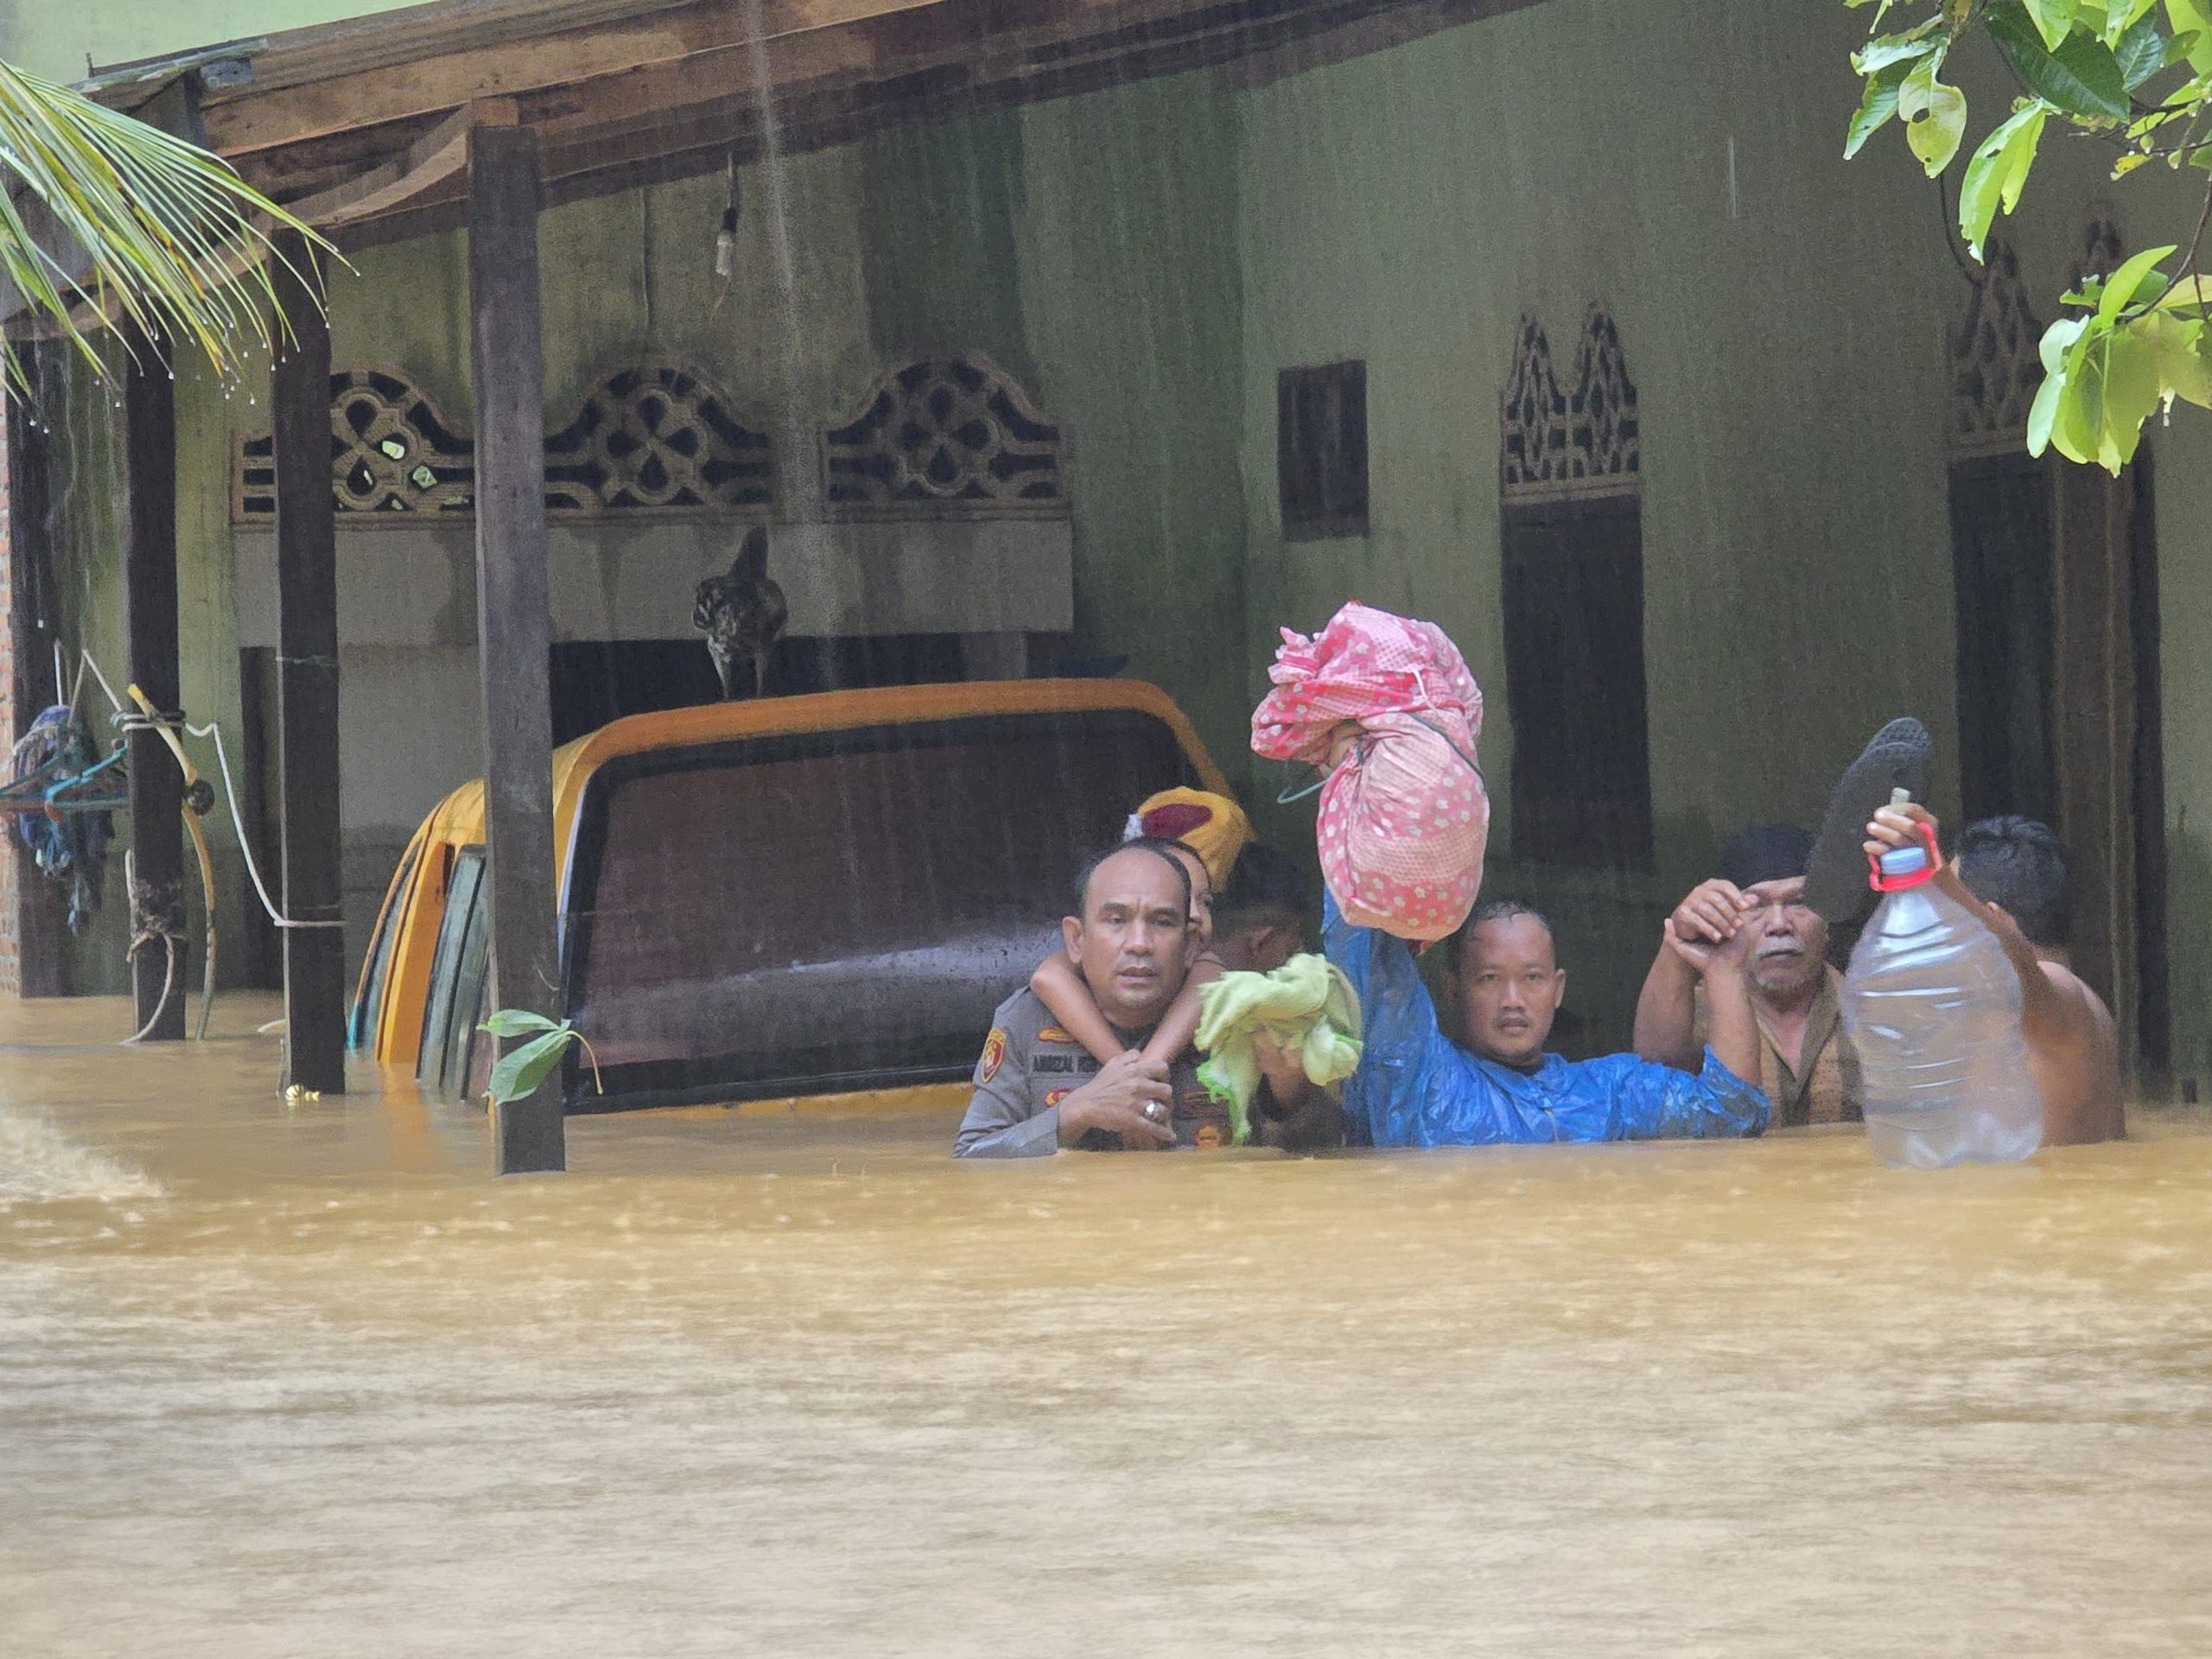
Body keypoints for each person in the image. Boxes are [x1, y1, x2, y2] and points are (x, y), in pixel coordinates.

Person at [956, 842, 1339, 1157]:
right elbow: (971, 1158)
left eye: (1162, 922)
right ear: (1077, 940)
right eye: (1116, 920)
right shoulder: (1026, 1020)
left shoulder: (1235, 1016)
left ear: (1191, 945)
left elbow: (1328, 1157)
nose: (1139, 944)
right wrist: (1073, 1115)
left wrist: (1291, 1097)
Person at [1325, 891, 1772, 1147]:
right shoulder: (1421, 1080)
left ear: (1558, 990)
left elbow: (1732, 1115)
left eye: (1532, 978)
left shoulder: (1606, 1094)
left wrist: (1725, 966)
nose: (1513, 999)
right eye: (1489, 979)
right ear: (1453, 989)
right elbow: (1364, 949)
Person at [1865, 804, 2123, 1146]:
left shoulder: (2058, 990)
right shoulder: (2079, 1009)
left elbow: (2022, 977)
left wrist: (1936, 874)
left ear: (1992, 921)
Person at [1631, 824, 1862, 1127]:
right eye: (1755, 906)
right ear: (1725, 918)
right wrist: (1677, 942)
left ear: (1828, 920)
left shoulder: (1872, 1006)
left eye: (1799, 902)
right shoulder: (1697, 1007)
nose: (1779, 924)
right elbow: (1653, 1075)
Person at [1027, 790, 1251, 1080]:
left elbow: (1206, 981)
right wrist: (1131, 1075)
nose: (1195, 914)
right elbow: (1049, 976)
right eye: (1118, 919)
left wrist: (1135, 1076)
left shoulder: (1220, 988)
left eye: (1204, 900)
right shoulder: (1029, 1015)